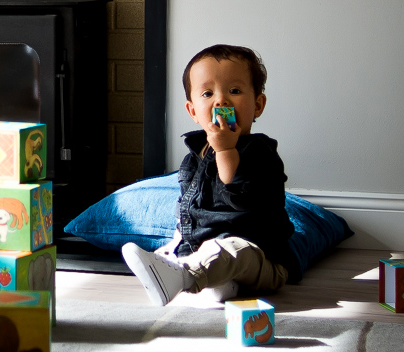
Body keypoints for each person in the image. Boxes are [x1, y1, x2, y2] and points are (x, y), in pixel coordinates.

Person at [122, 44, 295, 306]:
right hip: (204, 248)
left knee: (230, 251)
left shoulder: (261, 153)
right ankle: (208, 279)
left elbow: (237, 193)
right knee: (193, 251)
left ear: (258, 105)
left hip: (260, 258)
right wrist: (178, 243)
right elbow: (188, 208)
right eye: (207, 93)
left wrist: (225, 147)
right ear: (192, 111)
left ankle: (187, 278)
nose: (221, 100)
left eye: (234, 91)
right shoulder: (195, 155)